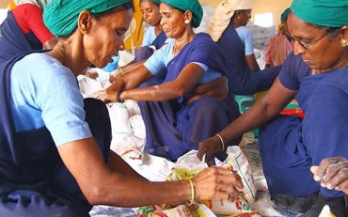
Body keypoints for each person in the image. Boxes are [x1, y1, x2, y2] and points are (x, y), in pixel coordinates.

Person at [0, 0, 244, 216]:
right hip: (7, 185)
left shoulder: (53, 69)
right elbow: (98, 187)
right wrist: (191, 188)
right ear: (85, 22)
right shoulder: (53, 77)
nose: (120, 46)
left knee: (94, 114)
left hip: (27, 171)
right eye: (118, 33)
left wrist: (161, 194)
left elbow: (96, 154)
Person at [199, 0, 348, 216]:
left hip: (342, 152)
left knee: (326, 97)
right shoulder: (301, 62)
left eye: (305, 41)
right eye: (293, 39)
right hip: (320, 145)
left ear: (344, 34)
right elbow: (268, 105)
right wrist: (219, 138)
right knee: (274, 126)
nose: (296, 50)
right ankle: (311, 193)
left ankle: (331, 200)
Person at [96, 0, 242, 162]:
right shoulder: (168, 49)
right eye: (162, 16)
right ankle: (172, 150)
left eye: (167, 16)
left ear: (187, 16)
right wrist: (107, 93)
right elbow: (132, 78)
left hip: (208, 121)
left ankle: (201, 155)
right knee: (147, 88)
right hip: (183, 115)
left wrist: (121, 95)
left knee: (205, 106)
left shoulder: (202, 45)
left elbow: (179, 88)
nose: (162, 21)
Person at [208, 0, 280, 95]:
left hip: (223, 85)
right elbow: (252, 65)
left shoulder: (217, 34)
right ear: (238, 14)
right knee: (282, 69)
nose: (249, 17)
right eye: (248, 13)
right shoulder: (244, 32)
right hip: (241, 85)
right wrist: (260, 75)